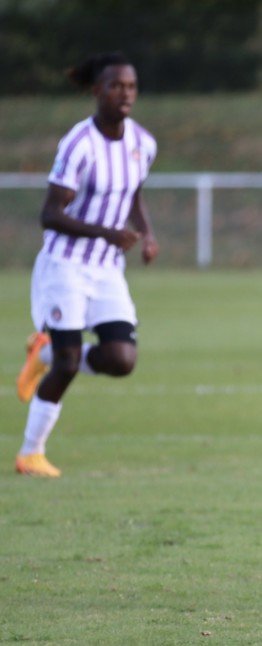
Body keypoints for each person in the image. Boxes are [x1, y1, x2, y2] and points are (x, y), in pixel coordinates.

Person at [13, 52, 159, 477]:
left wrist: (145, 233)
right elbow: (50, 214)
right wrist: (106, 233)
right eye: (116, 86)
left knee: (121, 359)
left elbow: (134, 192)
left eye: (131, 86)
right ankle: (30, 453)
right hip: (65, 266)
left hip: (107, 268)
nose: (125, 94)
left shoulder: (142, 143)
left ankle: (43, 352)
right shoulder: (79, 144)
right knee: (68, 363)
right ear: (97, 90)